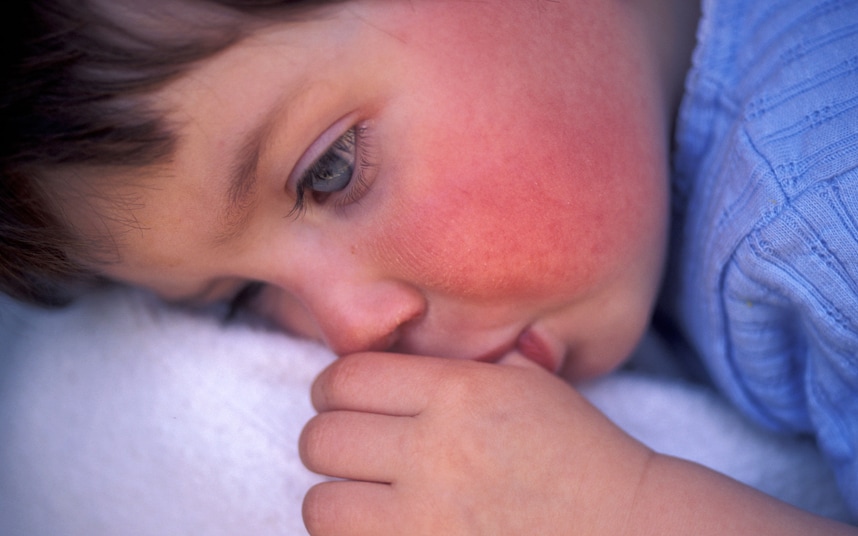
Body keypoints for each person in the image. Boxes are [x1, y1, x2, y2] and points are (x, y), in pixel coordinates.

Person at [1, 0, 856, 534]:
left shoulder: (822, 199)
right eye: (244, 298)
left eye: (330, 170)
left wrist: (623, 511)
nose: (346, 334)